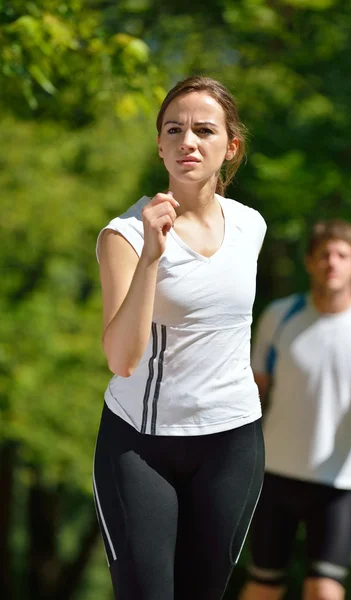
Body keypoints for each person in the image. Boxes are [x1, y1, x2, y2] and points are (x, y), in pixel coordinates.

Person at [92, 76, 267, 600]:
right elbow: (122, 359)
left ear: (229, 145)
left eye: (204, 130)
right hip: (141, 447)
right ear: (161, 144)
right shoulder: (123, 236)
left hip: (233, 441)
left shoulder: (251, 226)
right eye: (175, 130)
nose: (188, 140)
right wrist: (152, 254)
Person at [240, 219, 351, 600]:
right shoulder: (279, 317)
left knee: (324, 591)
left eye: (342, 255)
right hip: (273, 474)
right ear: (310, 262)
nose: (333, 262)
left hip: (338, 484)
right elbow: (253, 393)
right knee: (263, 587)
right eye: (324, 254)